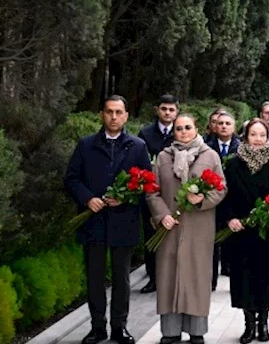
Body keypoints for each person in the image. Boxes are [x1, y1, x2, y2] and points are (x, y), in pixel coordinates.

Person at [64, 95, 152, 344]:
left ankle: (119, 327)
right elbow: (71, 179)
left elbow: (147, 183)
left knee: (122, 278)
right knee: (95, 277)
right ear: (102, 114)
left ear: (126, 116)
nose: (114, 117)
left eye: (118, 112)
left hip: (124, 221)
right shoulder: (86, 145)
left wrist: (126, 198)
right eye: (109, 111)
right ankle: (97, 327)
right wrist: (87, 199)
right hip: (94, 221)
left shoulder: (137, 146)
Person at [147, 114, 227, 344]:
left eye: (187, 127)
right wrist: (162, 215)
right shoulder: (163, 157)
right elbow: (152, 190)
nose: (183, 132)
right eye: (179, 128)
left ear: (196, 129)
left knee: (197, 278)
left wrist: (202, 199)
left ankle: (196, 331)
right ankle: (170, 332)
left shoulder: (210, 155)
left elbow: (221, 188)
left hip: (199, 227)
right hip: (169, 228)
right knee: (168, 278)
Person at [223, 118, 269, 344]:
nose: (258, 139)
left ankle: (264, 323)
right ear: (245, 137)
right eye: (253, 135)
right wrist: (230, 218)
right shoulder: (233, 163)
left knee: (266, 278)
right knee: (244, 278)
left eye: (262, 135)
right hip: (242, 232)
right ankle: (249, 324)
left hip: (268, 231)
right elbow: (226, 196)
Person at [137, 94, 179, 294]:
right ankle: (153, 278)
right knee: (151, 235)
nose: (167, 113)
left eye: (171, 109)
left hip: (175, 193)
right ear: (157, 110)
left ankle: (173, 278)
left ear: (177, 112)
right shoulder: (145, 134)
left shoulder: (181, 131)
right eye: (164, 109)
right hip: (152, 192)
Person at [205, 112, 241, 289]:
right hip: (212, 198)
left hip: (233, 199)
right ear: (214, 126)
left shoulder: (241, 147)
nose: (224, 126)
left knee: (232, 240)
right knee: (212, 241)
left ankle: (231, 272)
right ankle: (211, 280)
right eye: (220, 123)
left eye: (228, 123)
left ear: (234, 127)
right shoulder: (206, 147)